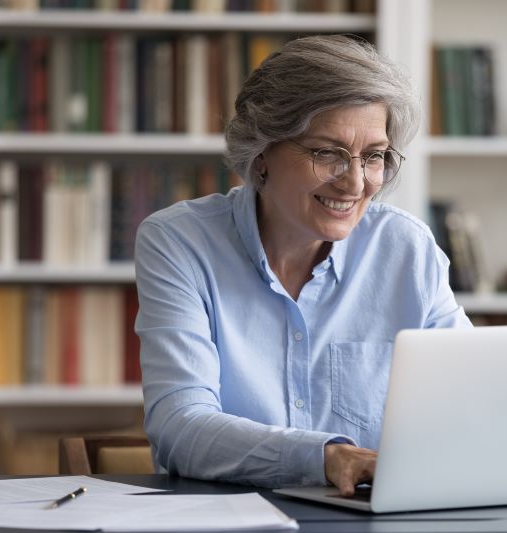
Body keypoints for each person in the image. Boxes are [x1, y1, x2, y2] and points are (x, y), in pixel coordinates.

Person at [134, 34, 472, 497]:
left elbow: (472, 400)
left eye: (373, 156)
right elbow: (180, 426)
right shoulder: (179, 243)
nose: (355, 182)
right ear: (262, 153)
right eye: (326, 152)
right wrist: (324, 457)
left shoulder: (406, 249)